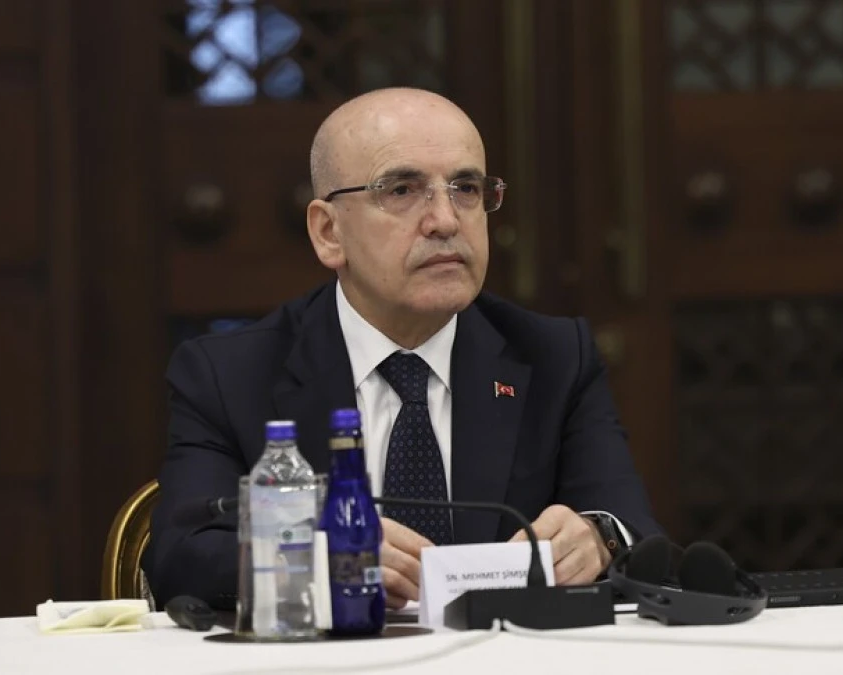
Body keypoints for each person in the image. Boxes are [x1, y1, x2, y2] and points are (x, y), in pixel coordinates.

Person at [145, 87, 662, 610]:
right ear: (328, 232)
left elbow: (637, 534)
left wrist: (599, 537)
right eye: (401, 190)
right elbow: (180, 558)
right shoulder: (230, 375)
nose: (446, 220)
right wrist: (322, 561)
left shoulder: (555, 357)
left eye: (466, 188)